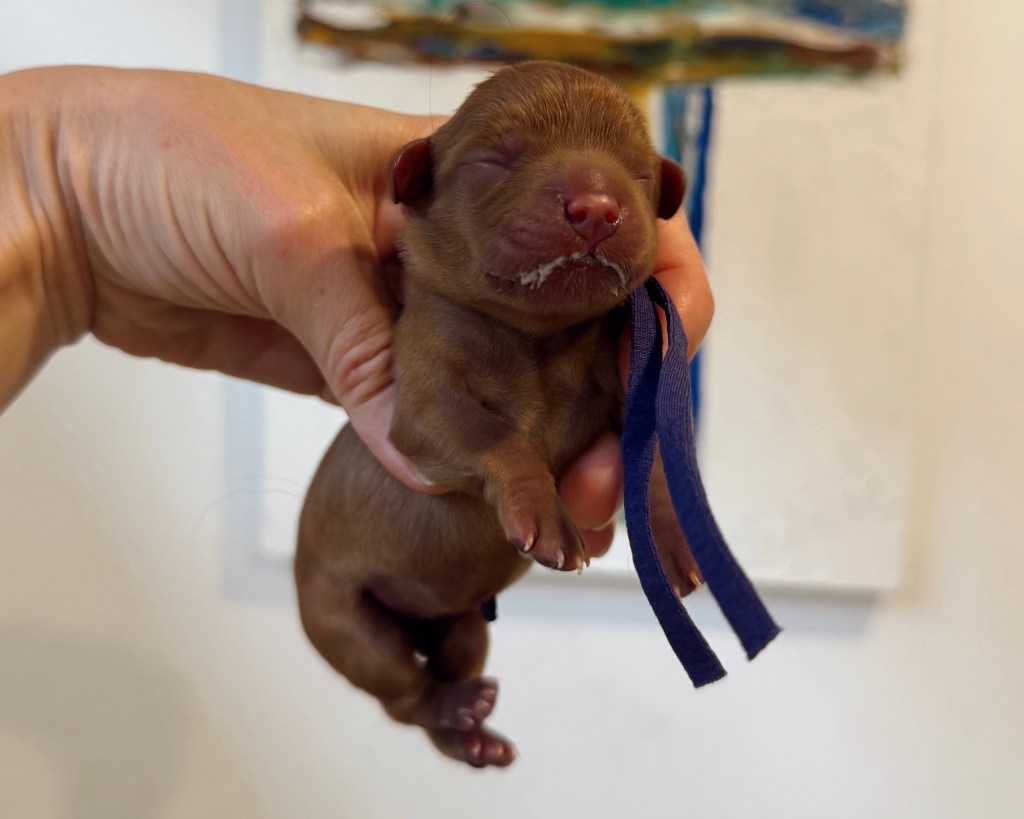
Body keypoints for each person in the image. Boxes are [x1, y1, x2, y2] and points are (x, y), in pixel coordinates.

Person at [0, 66, 713, 555]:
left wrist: (666, 496)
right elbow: (423, 415)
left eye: (637, 176)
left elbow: (643, 425)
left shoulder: (612, 339)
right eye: (495, 164)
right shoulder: (435, 325)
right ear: (416, 185)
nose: (595, 202)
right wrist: (48, 176)